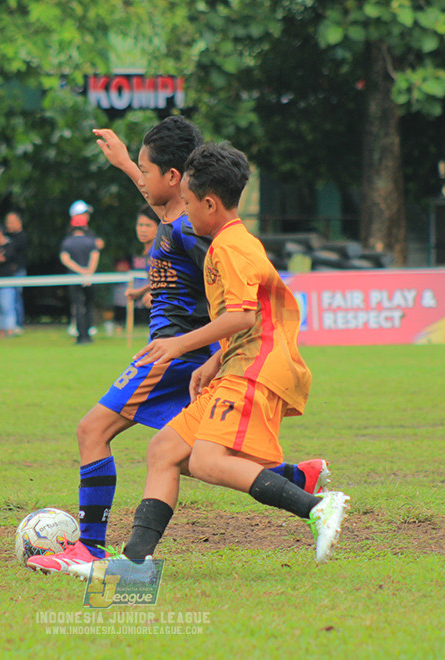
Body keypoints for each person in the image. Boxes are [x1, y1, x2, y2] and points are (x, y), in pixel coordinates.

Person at [27, 116, 329, 576]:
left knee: (93, 431)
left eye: (148, 172)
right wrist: (128, 164)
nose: (142, 182)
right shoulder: (179, 215)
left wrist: (205, 350)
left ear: (180, 184)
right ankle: (295, 479)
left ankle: (91, 549)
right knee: (185, 457)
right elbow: (163, 200)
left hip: (176, 355)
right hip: (185, 357)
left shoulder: (196, 232)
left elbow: (228, 294)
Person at [59, 211, 100, 345]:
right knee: (88, 305)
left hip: (73, 278)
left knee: (77, 306)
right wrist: (88, 273)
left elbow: (65, 259)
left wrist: (79, 271)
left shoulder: (67, 242)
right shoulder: (91, 241)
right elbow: (94, 258)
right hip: (90, 278)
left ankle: (80, 336)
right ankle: (88, 335)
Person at [4, 211, 28, 334]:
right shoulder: (6, 236)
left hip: (18, 271)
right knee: (8, 299)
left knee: (16, 297)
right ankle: (7, 325)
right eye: (8, 222)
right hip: (6, 273)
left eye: (12, 222)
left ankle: (18, 324)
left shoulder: (22, 237)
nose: (9, 225)